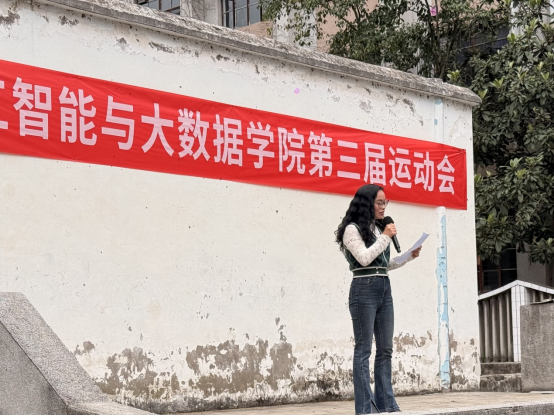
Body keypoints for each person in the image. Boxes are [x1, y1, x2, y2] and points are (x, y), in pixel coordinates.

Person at [335, 184, 422, 415]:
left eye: (385, 203)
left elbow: (383, 264)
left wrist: (407, 256)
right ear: (367, 203)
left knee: (385, 348)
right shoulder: (352, 230)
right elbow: (364, 259)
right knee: (363, 349)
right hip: (363, 288)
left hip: (384, 286)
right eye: (380, 202)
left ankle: (386, 404)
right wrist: (385, 237)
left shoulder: (377, 228)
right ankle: (366, 408)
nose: (384, 207)